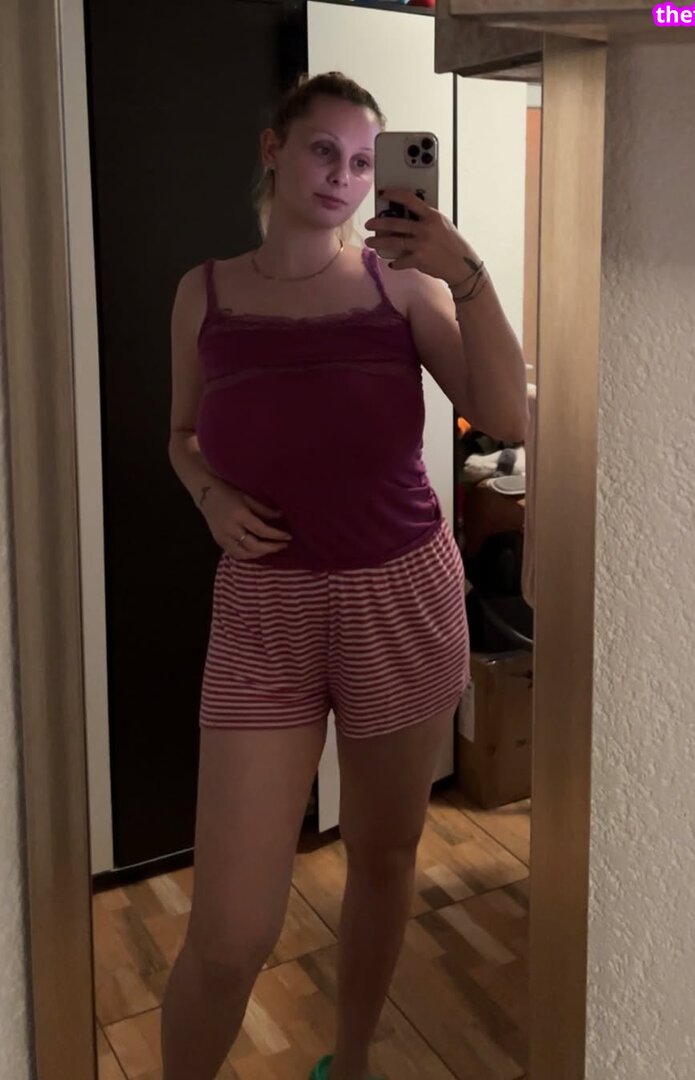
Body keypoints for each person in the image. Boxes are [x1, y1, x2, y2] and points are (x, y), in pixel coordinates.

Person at [162, 71, 529, 1080]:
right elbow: (179, 435)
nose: (343, 175)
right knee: (229, 934)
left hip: (399, 597)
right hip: (262, 611)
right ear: (274, 150)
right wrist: (207, 494)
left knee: (381, 854)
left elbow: (509, 417)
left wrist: (467, 273)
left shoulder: (401, 288)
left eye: (363, 162)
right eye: (323, 149)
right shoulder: (203, 291)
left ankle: (353, 1062)